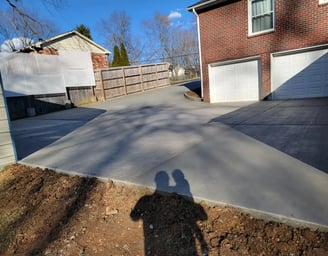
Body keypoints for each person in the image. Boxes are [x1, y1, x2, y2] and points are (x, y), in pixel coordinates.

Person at [130, 170, 208, 256]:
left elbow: (134, 217)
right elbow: (203, 217)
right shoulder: (180, 200)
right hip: (178, 242)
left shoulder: (147, 200)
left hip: (161, 242)